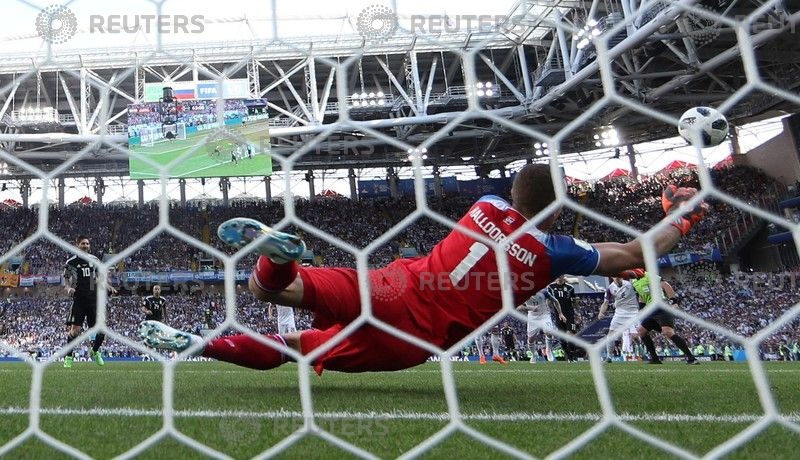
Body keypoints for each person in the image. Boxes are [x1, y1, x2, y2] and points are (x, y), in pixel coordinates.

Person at [139, 164, 707, 374]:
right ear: (558, 207)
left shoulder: (482, 206)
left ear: (511, 191)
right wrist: (683, 216)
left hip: (390, 283)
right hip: (414, 335)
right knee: (302, 351)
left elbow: (521, 211)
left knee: (277, 294)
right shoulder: (554, 250)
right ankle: (207, 343)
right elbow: (634, 255)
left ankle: (273, 258)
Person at [63, 235, 116, 368]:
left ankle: (95, 351)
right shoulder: (71, 262)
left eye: (87, 243)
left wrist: (108, 286)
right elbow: (66, 279)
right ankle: (69, 357)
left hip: (93, 300)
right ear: (77, 245)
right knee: (75, 331)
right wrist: (68, 288)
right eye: (83, 243)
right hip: (79, 299)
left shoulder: (94, 260)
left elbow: (98, 278)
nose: (85, 245)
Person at [629, 270, 699, 365]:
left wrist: (674, 302)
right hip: (650, 309)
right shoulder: (633, 282)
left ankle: (692, 358)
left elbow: (665, 285)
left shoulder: (649, 275)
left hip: (662, 306)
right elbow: (641, 296)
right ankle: (655, 359)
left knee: (668, 332)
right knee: (641, 331)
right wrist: (641, 309)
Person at [598, 276, 639, 362]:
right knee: (610, 336)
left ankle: (641, 349)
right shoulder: (610, 288)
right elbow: (605, 303)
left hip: (633, 312)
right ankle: (609, 357)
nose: (618, 279)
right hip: (619, 313)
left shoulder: (630, 284)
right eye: (616, 277)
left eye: (619, 277)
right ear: (612, 278)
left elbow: (640, 293)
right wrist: (601, 312)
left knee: (635, 337)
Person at [518, 288, 565, 363]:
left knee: (549, 332)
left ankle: (548, 350)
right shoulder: (523, 293)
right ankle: (534, 355)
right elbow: (518, 307)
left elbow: (555, 301)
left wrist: (560, 313)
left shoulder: (544, 292)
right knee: (530, 339)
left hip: (544, 315)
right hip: (532, 317)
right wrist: (530, 308)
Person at [547, 275, 579, 362]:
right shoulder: (551, 287)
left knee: (570, 334)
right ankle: (568, 355)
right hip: (558, 316)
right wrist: (549, 309)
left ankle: (573, 356)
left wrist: (577, 313)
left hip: (569, 314)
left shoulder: (570, 288)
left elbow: (574, 301)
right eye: (557, 275)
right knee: (562, 338)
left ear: (563, 276)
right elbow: (548, 301)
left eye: (560, 275)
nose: (559, 277)